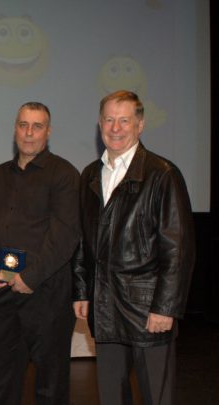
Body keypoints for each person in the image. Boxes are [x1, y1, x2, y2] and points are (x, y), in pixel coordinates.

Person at [73, 90, 195, 405]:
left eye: (124, 120)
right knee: (112, 398)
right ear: (100, 124)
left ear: (139, 125)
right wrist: (83, 290)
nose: (116, 128)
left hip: (147, 310)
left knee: (157, 398)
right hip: (105, 308)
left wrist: (164, 308)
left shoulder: (162, 174)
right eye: (109, 120)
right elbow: (83, 240)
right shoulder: (89, 175)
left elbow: (178, 249)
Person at [0, 102, 80, 405]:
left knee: (50, 383)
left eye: (37, 126)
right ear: (14, 129)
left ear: (48, 132)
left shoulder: (63, 175)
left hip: (47, 294)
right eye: (23, 125)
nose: (29, 132)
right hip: (5, 292)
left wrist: (31, 276)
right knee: (0, 377)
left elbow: (65, 236)